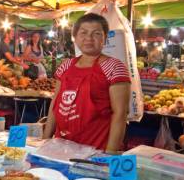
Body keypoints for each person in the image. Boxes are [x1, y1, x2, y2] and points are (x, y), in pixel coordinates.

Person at [43, 13, 131, 152]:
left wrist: (109, 155)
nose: (89, 38)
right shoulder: (66, 66)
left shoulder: (114, 67)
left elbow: (120, 113)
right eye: (83, 33)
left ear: (105, 38)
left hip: (95, 150)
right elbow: (55, 103)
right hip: (61, 147)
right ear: (75, 38)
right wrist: (45, 140)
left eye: (96, 34)